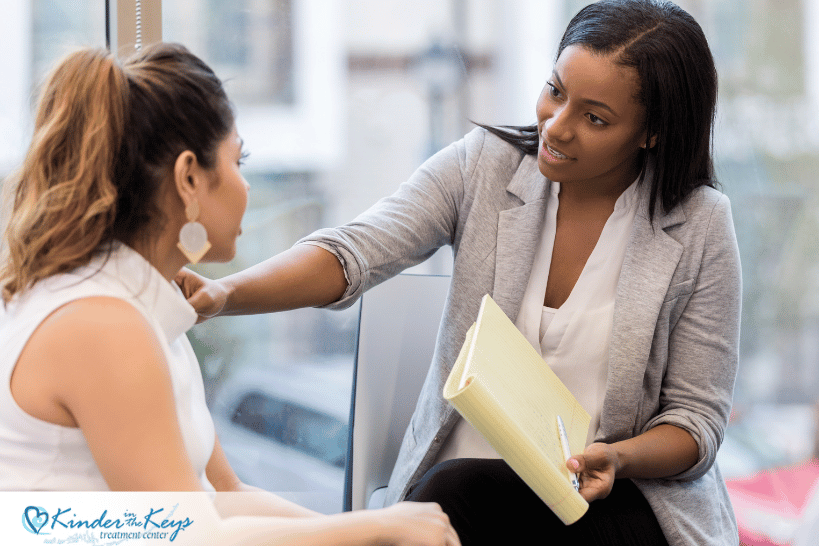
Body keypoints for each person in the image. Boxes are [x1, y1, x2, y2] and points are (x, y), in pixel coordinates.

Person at [177, 0, 741, 544]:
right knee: (450, 496)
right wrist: (225, 294)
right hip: (462, 492)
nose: (556, 126)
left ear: (652, 133)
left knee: (452, 495)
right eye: (555, 92)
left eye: (594, 118)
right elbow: (354, 251)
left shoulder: (698, 225)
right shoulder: (485, 167)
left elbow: (695, 423)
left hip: (606, 502)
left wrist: (618, 456)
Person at [0, 43, 460, 546]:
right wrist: (377, 527)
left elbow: (225, 495)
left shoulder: (143, 310)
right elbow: (191, 538)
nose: (244, 184)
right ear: (189, 178)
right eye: (238, 160)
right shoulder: (103, 325)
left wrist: (380, 529)